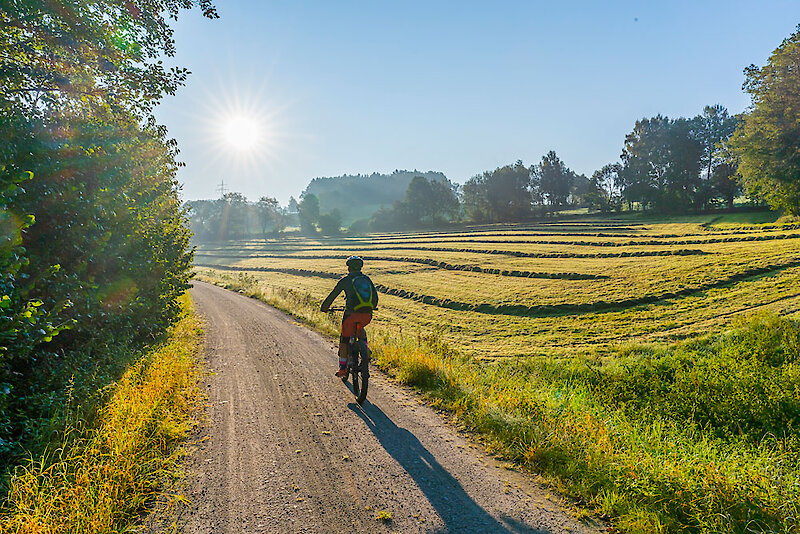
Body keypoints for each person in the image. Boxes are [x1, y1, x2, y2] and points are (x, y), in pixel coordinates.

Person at [320, 256, 378, 377]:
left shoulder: (345, 280)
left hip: (351, 315)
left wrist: (324, 308)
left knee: (344, 340)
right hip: (367, 315)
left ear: (348, 268)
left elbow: (332, 295)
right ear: (361, 267)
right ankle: (365, 348)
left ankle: (342, 368)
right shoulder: (366, 279)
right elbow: (375, 297)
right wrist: (371, 307)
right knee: (360, 329)